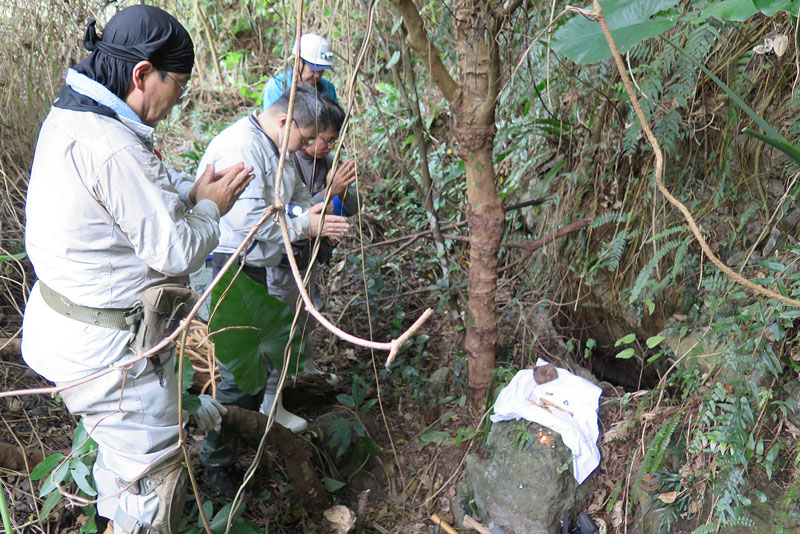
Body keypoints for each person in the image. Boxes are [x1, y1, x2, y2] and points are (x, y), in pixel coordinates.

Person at [21, 6, 253, 533]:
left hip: (66, 329)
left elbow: (126, 199)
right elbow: (175, 251)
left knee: (120, 468)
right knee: (152, 485)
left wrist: (191, 193)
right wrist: (212, 207)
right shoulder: (112, 145)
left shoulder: (74, 115)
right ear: (142, 74)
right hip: (107, 356)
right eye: (179, 86)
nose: (177, 103)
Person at [196, 86, 349, 492]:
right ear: (285, 121)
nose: (306, 147)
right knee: (236, 373)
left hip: (256, 267)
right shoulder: (241, 148)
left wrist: (310, 208)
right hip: (231, 267)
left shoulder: (274, 145)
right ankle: (217, 460)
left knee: (260, 360)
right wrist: (305, 225)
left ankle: (247, 437)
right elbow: (249, 225)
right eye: (305, 138)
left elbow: (292, 199)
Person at [266, 97, 360, 373]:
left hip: (311, 253)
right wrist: (327, 193)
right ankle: (282, 376)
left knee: (307, 313)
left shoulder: (328, 161)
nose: (329, 147)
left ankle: (304, 369)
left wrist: (342, 190)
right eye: (325, 139)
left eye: (334, 142)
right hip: (284, 256)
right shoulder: (287, 159)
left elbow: (353, 206)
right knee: (283, 316)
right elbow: (289, 211)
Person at [261, 33, 337, 110]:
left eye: (321, 70)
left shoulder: (328, 88)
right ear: (297, 61)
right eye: (313, 68)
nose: (317, 75)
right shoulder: (277, 87)